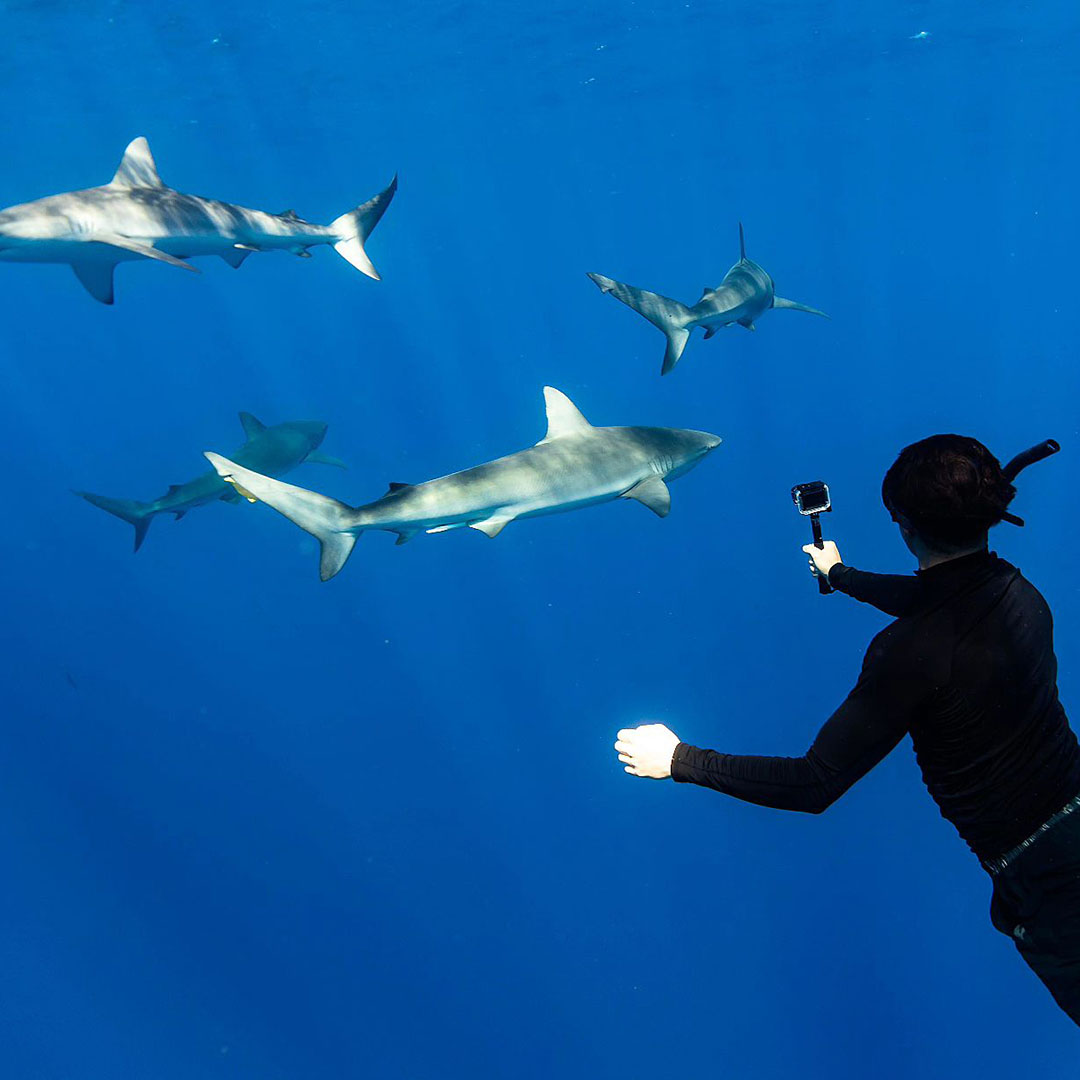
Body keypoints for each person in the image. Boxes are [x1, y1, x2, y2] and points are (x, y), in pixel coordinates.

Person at [615, 434, 1080, 1024]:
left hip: (1049, 885)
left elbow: (815, 784)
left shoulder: (906, 654)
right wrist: (842, 574)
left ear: (903, 526)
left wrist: (679, 759)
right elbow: (944, 600)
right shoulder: (1021, 593)